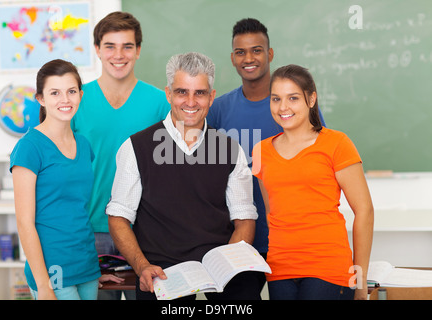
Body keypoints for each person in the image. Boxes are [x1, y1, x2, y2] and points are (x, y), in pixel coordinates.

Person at [106, 52, 260, 300]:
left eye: (199, 93)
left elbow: (244, 220)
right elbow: (118, 218)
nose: (190, 102)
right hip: (162, 271)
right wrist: (142, 266)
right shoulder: (136, 147)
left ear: (211, 97)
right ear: (168, 94)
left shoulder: (231, 150)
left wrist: (228, 267)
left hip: (218, 266)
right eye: (181, 92)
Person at [206, 18, 327, 294]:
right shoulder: (219, 109)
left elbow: (319, 162)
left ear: (270, 54)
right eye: (241, 52)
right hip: (238, 239)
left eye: (257, 50)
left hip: (289, 239)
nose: (249, 58)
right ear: (233, 59)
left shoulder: (293, 107)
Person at [252, 64, 374, 300]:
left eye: (293, 98)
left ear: (311, 99)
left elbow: (365, 211)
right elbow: (272, 213)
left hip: (328, 268)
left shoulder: (337, 143)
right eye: (276, 99)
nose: (283, 107)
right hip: (280, 270)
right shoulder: (260, 152)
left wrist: (360, 280)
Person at [71, 11, 170, 299]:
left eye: (127, 46)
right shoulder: (75, 100)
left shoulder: (160, 103)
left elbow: (171, 172)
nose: (119, 54)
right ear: (98, 50)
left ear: (138, 51)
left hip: (146, 230)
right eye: (110, 46)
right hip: (91, 229)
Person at [10, 59, 101, 300]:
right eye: (55, 92)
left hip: (86, 265)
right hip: (52, 271)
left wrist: (97, 268)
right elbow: (24, 223)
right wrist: (43, 286)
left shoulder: (83, 144)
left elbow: (78, 209)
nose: (65, 99)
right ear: (40, 98)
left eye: (71, 91)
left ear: (80, 95)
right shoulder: (29, 147)